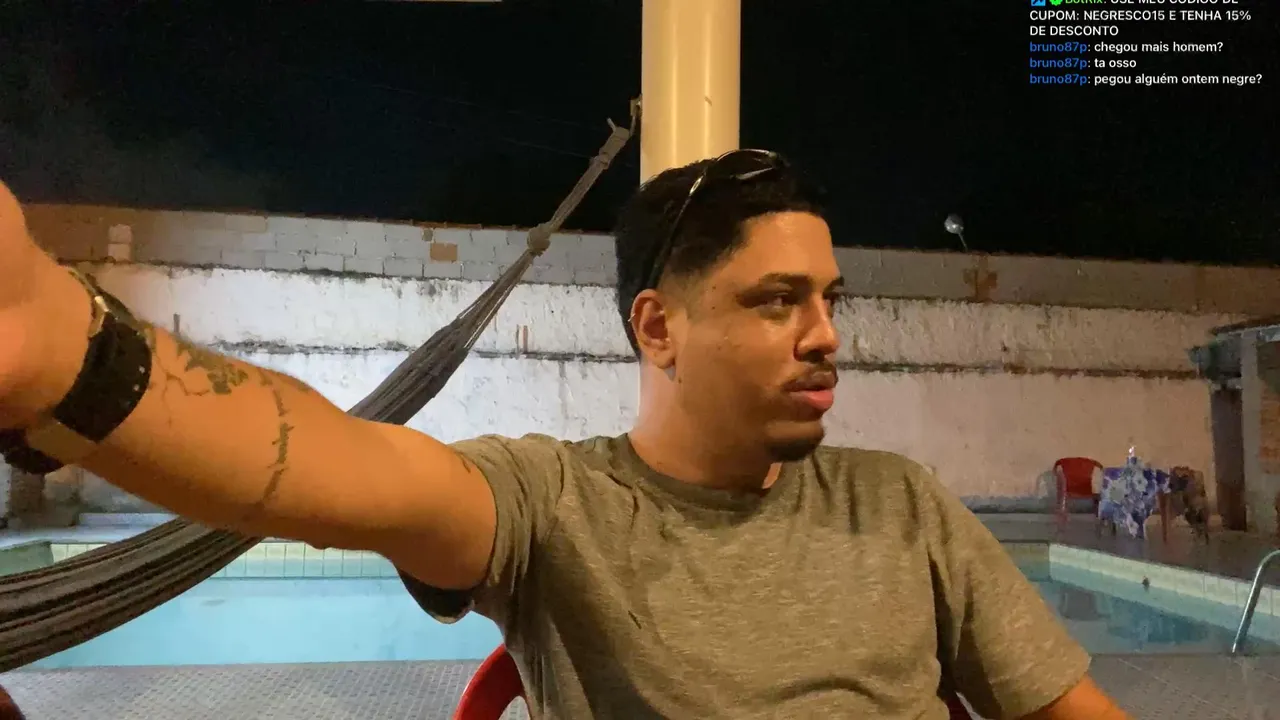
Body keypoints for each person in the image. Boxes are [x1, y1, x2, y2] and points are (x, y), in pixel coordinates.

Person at [0, 151, 1128, 719]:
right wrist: (62, 349)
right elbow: (337, 468)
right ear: (659, 326)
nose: (826, 334)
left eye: (830, 299)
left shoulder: (902, 506)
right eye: (777, 301)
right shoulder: (556, 510)